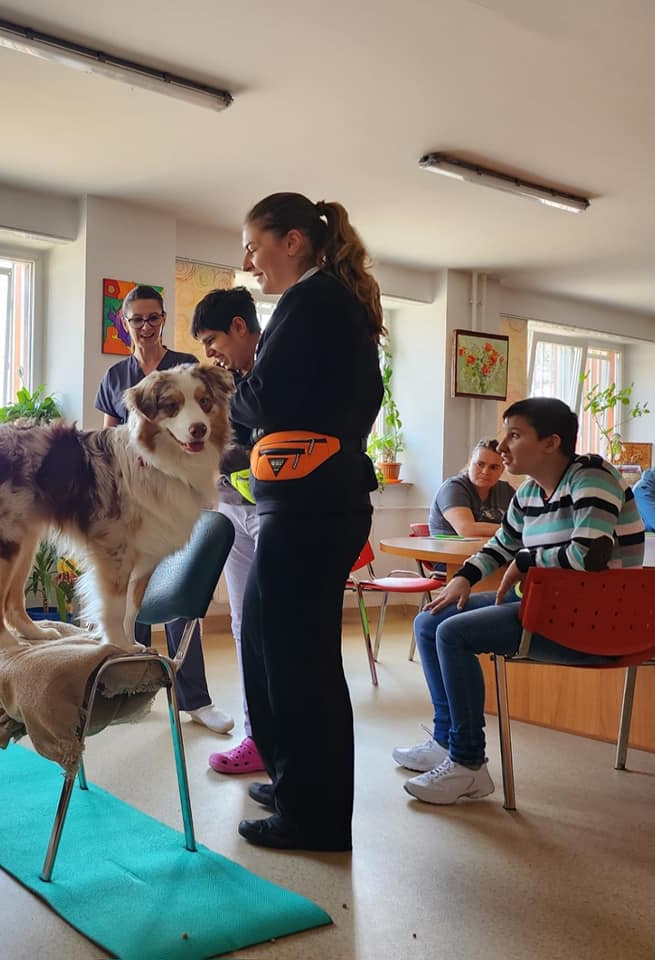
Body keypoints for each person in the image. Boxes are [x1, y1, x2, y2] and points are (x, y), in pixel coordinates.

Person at [393, 397, 644, 805]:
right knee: (430, 620)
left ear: (550, 442)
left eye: (514, 435)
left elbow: (589, 556)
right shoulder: (528, 492)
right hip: (548, 607)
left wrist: (527, 560)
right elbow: (500, 545)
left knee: (453, 633)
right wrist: (463, 578)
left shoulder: (592, 476)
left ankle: (468, 764)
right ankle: (445, 741)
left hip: (595, 619)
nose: (502, 446)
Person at [230, 192, 384, 851]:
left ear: (292, 241)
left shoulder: (313, 300)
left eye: (253, 245)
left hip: (310, 507)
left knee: (298, 661)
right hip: (308, 503)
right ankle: (295, 780)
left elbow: (266, 397)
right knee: (270, 647)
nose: (248, 262)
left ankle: (315, 816)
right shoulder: (321, 303)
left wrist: (225, 389)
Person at [95, 284, 233, 734]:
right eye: (137, 319)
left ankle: (194, 700)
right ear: (125, 323)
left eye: (153, 317)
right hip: (131, 502)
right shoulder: (115, 377)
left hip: (178, 499)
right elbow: (107, 443)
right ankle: (127, 696)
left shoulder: (185, 367)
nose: (146, 326)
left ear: (163, 319)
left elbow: (207, 430)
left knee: (178, 598)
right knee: (129, 594)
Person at [190, 286, 265, 774]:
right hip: (233, 511)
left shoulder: (277, 370)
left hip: (276, 512)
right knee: (242, 626)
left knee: (273, 626)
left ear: (240, 327)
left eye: (212, 340)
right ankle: (257, 736)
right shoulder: (223, 383)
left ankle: (282, 736)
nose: (210, 352)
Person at [428, 438, 514, 537]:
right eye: (480, 464)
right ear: (469, 463)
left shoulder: (506, 491)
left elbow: (524, 523)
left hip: (490, 546)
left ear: (502, 470)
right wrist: (513, 530)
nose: (485, 472)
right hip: (450, 547)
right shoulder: (452, 488)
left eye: (493, 467)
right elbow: (467, 530)